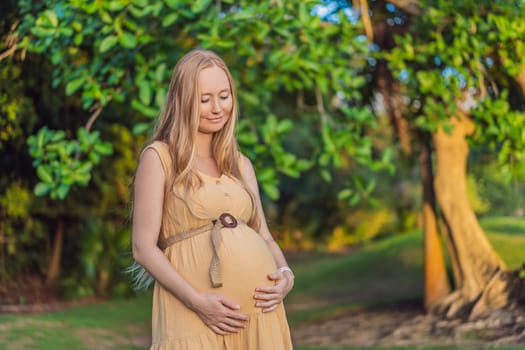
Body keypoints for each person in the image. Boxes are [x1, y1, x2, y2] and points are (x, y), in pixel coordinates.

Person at [131, 48, 295, 349]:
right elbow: (143, 248)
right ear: (184, 101)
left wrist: (286, 275)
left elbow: (265, 236)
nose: (217, 107)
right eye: (205, 99)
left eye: (224, 95)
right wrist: (198, 302)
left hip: (260, 315)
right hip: (193, 315)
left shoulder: (240, 163)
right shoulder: (160, 159)